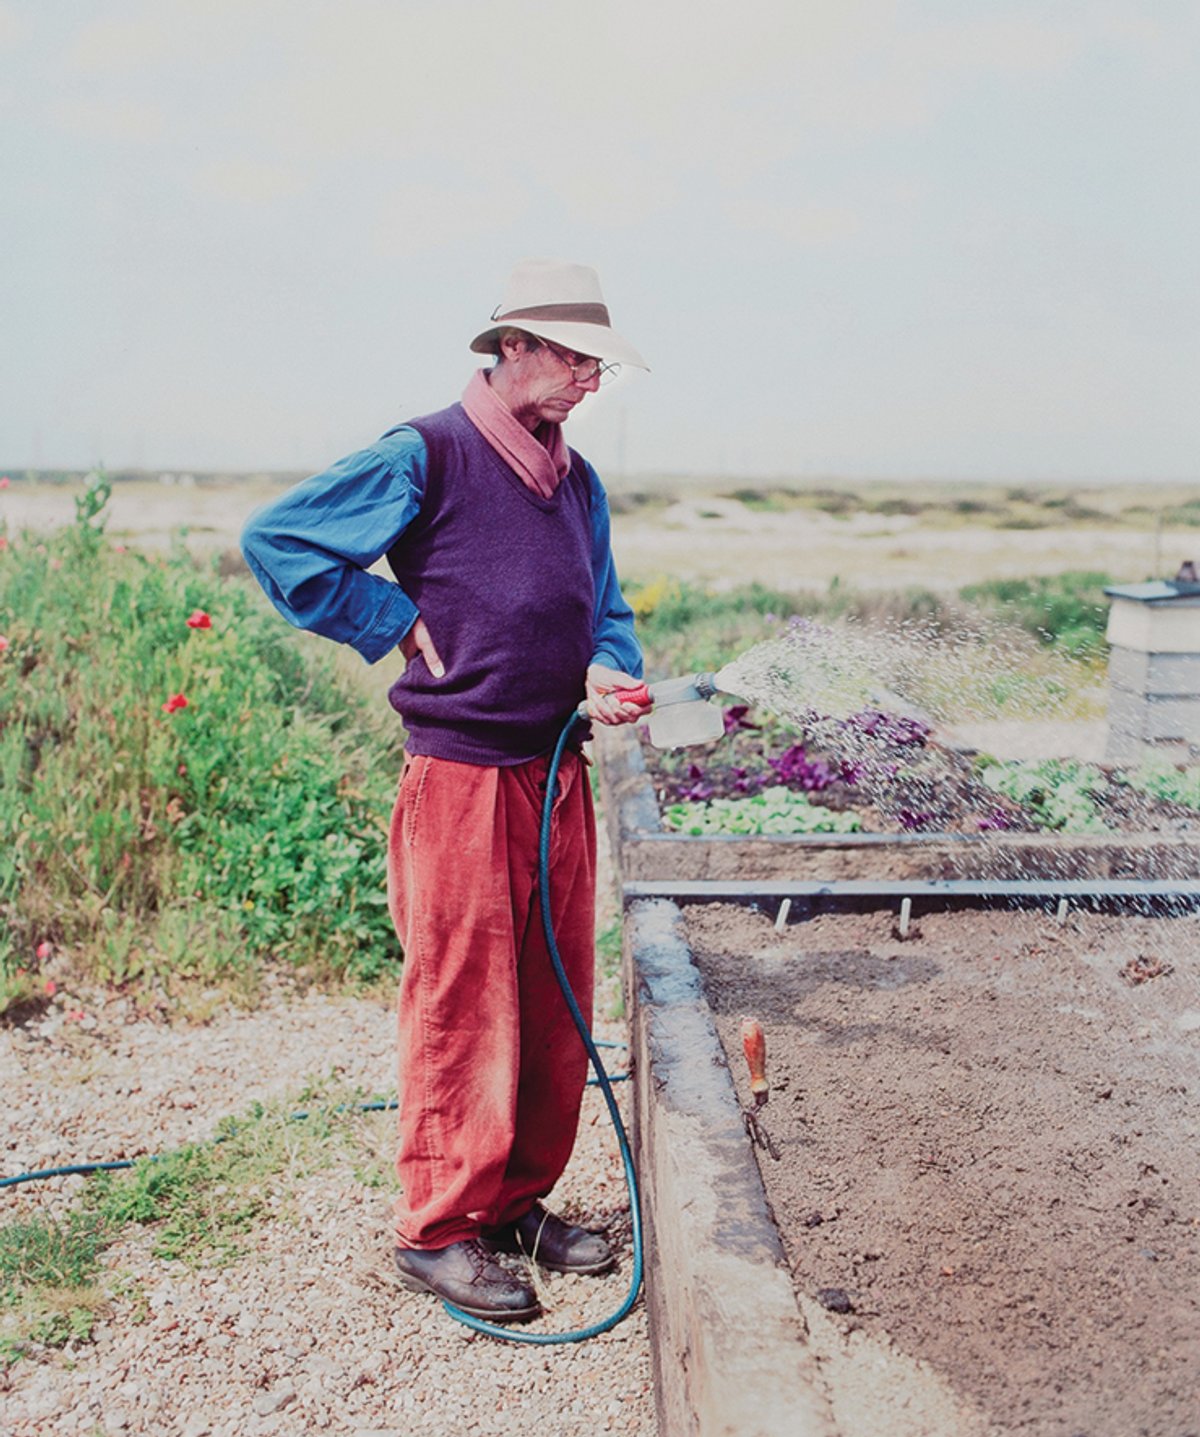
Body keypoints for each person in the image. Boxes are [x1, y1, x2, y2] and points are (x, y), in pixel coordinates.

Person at [241, 258, 652, 1323]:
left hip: (552, 768)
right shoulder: (425, 454)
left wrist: (607, 670)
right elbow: (278, 541)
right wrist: (386, 622)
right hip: (464, 775)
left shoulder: (578, 480)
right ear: (510, 347)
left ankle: (514, 1203)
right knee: (465, 1000)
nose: (588, 380)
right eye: (572, 357)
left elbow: (604, 606)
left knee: (552, 997)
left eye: (597, 364)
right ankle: (437, 1228)